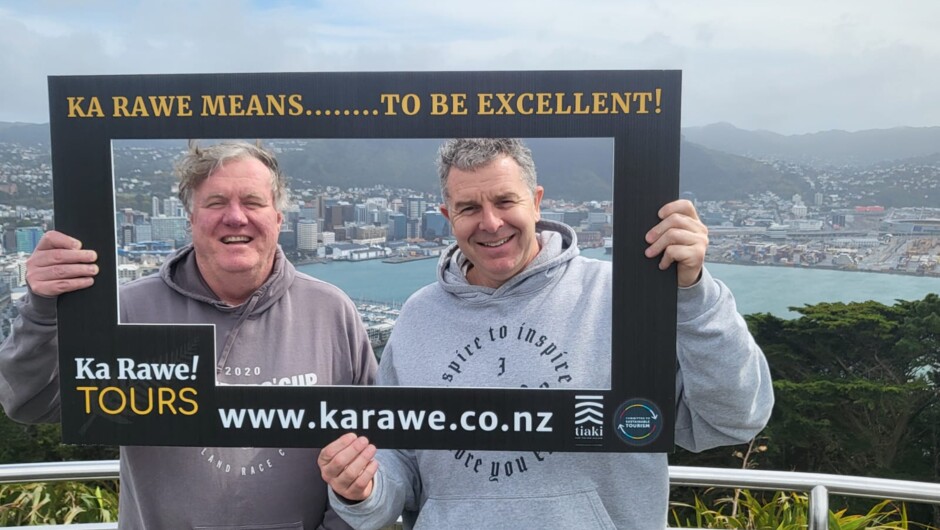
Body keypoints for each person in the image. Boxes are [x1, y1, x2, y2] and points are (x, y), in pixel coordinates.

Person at [318, 138, 774, 529]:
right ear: (446, 215)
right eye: (469, 208)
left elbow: (732, 418)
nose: (490, 223)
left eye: (505, 201)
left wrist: (694, 294)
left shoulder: (621, 295)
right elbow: (399, 458)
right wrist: (362, 491)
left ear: (536, 202)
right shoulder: (418, 316)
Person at [0, 141, 377, 529]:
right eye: (216, 202)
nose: (235, 217)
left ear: (278, 218)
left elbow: (373, 441)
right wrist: (42, 308)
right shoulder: (128, 310)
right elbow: (29, 402)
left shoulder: (330, 311)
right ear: (191, 219)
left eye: (253, 202)